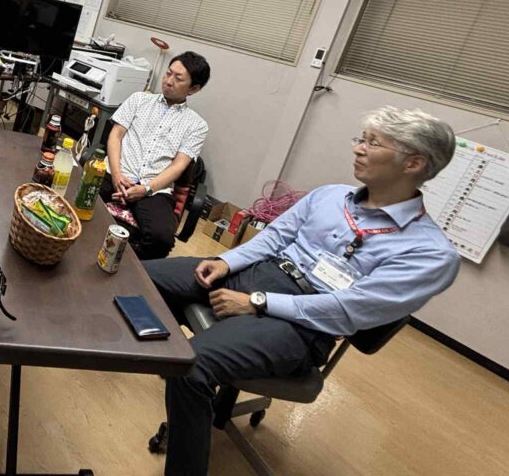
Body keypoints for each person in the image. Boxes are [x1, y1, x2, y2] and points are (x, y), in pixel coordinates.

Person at [144, 106, 461, 476]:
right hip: (258, 274)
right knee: (137, 276)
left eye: (373, 143)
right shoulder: (331, 196)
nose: (358, 148)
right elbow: (275, 237)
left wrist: (259, 303)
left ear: (414, 163)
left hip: (303, 323)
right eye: (360, 139)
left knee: (191, 367)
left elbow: (347, 310)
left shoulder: (431, 253)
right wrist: (226, 262)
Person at [100, 52, 210, 259]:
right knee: (75, 196)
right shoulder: (139, 99)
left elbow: (179, 166)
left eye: (178, 78)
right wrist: (116, 174)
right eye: (168, 73)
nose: (168, 81)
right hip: (115, 173)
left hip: (154, 189)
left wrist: (146, 189)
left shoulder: (197, 125)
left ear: (194, 89)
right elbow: (115, 136)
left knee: (161, 239)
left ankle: (124, 265)